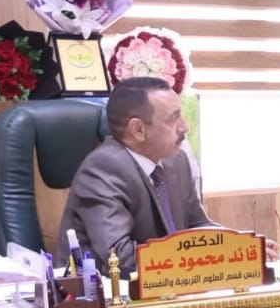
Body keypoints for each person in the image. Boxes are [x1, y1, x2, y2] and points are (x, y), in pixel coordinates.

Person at [60, 77, 213, 273]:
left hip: (169, 282)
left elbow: (198, 227)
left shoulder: (177, 160)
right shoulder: (103, 168)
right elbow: (120, 259)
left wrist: (239, 246)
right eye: (173, 118)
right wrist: (194, 261)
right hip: (103, 289)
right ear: (138, 130)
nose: (185, 127)